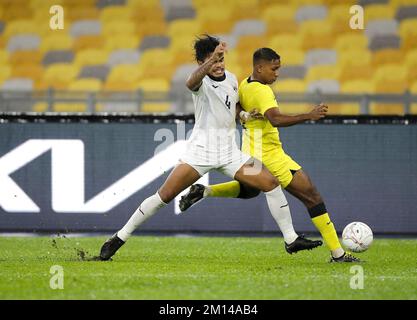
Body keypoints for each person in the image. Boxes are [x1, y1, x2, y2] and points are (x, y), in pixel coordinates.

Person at [99, 37, 322, 261]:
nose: (219, 64)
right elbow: (189, 83)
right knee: (164, 196)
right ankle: (118, 238)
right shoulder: (201, 82)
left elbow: (232, 108)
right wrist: (208, 63)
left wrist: (244, 115)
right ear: (202, 63)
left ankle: (291, 239)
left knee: (270, 183)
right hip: (200, 152)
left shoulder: (233, 79)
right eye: (213, 60)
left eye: (221, 59)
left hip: (230, 152)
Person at [179, 47, 360, 263]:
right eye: (274, 69)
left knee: (250, 190)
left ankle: (204, 191)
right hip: (270, 153)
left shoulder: (244, 84)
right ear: (260, 67)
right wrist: (309, 115)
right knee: (312, 196)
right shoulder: (262, 91)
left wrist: (244, 115)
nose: (277, 73)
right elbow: (275, 119)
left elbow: (235, 106)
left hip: (249, 149)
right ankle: (337, 253)